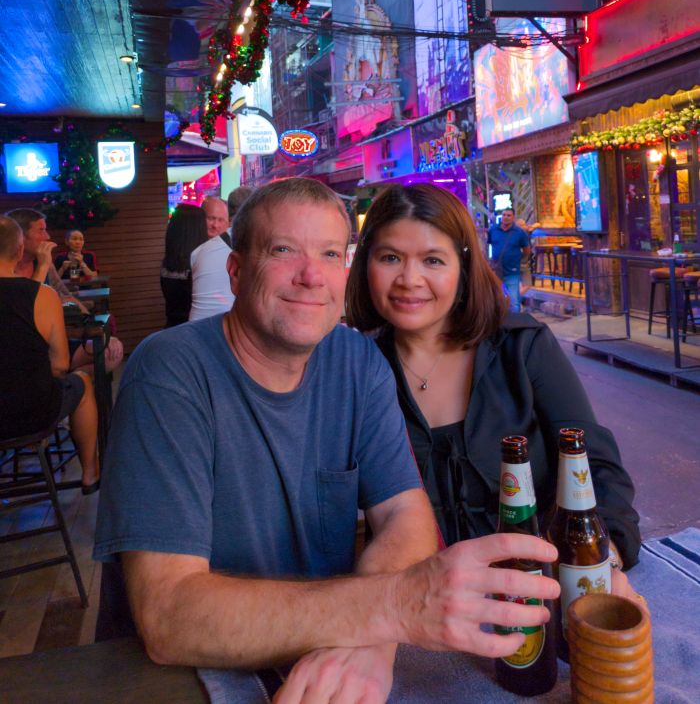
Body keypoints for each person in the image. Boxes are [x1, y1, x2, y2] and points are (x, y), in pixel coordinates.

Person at [94, 177, 560, 702]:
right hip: (175, 682)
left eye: (330, 253)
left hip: (325, 663)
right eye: (283, 250)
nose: (311, 275)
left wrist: (372, 640)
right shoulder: (169, 371)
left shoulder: (357, 362)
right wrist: (387, 611)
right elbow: (169, 617)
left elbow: (407, 521)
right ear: (236, 271)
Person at [345, 183, 641, 598]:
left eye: (433, 260)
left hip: (541, 597)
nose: (409, 280)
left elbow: (596, 464)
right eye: (390, 257)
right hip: (423, 612)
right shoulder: (356, 373)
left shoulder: (522, 347)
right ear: (365, 265)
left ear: (463, 268)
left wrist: (602, 557)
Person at [0, 216, 99, 494]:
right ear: (19, 251)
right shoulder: (41, 296)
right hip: (33, 413)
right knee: (81, 382)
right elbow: (59, 366)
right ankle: (90, 474)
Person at [7, 208, 123, 373]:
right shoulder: (7, 267)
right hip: (24, 347)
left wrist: (90, 327)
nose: (47, 237)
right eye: (41, 230)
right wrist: (44, 266)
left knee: (111, 353)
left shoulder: (50, 263)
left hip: (57, 339)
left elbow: (66, 294)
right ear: (20, 236)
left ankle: (64, 383)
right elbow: (24, 311)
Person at [159, 203, 208, 327]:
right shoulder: (199, 266)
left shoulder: (169, 264)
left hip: (172, 328)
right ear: (197, 231)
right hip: (193, 331)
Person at [189, 196, 235, 321]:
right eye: (211, 219)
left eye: (221, 220)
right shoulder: (191, 248)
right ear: (200, 219)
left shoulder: (233, 251)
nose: (215, 225)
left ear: (228, 224)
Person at [487, 207, 530, 312]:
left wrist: (518, 260)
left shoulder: (519, 232)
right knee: (496, 300)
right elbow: (488, 246)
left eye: (508, 215)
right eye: (504, 215)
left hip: (512, 270)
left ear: (513, 218)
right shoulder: (493, 230)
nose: (505, 217)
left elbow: (526, 250)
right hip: (496, 271)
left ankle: (514, 325)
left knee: (514, 302)